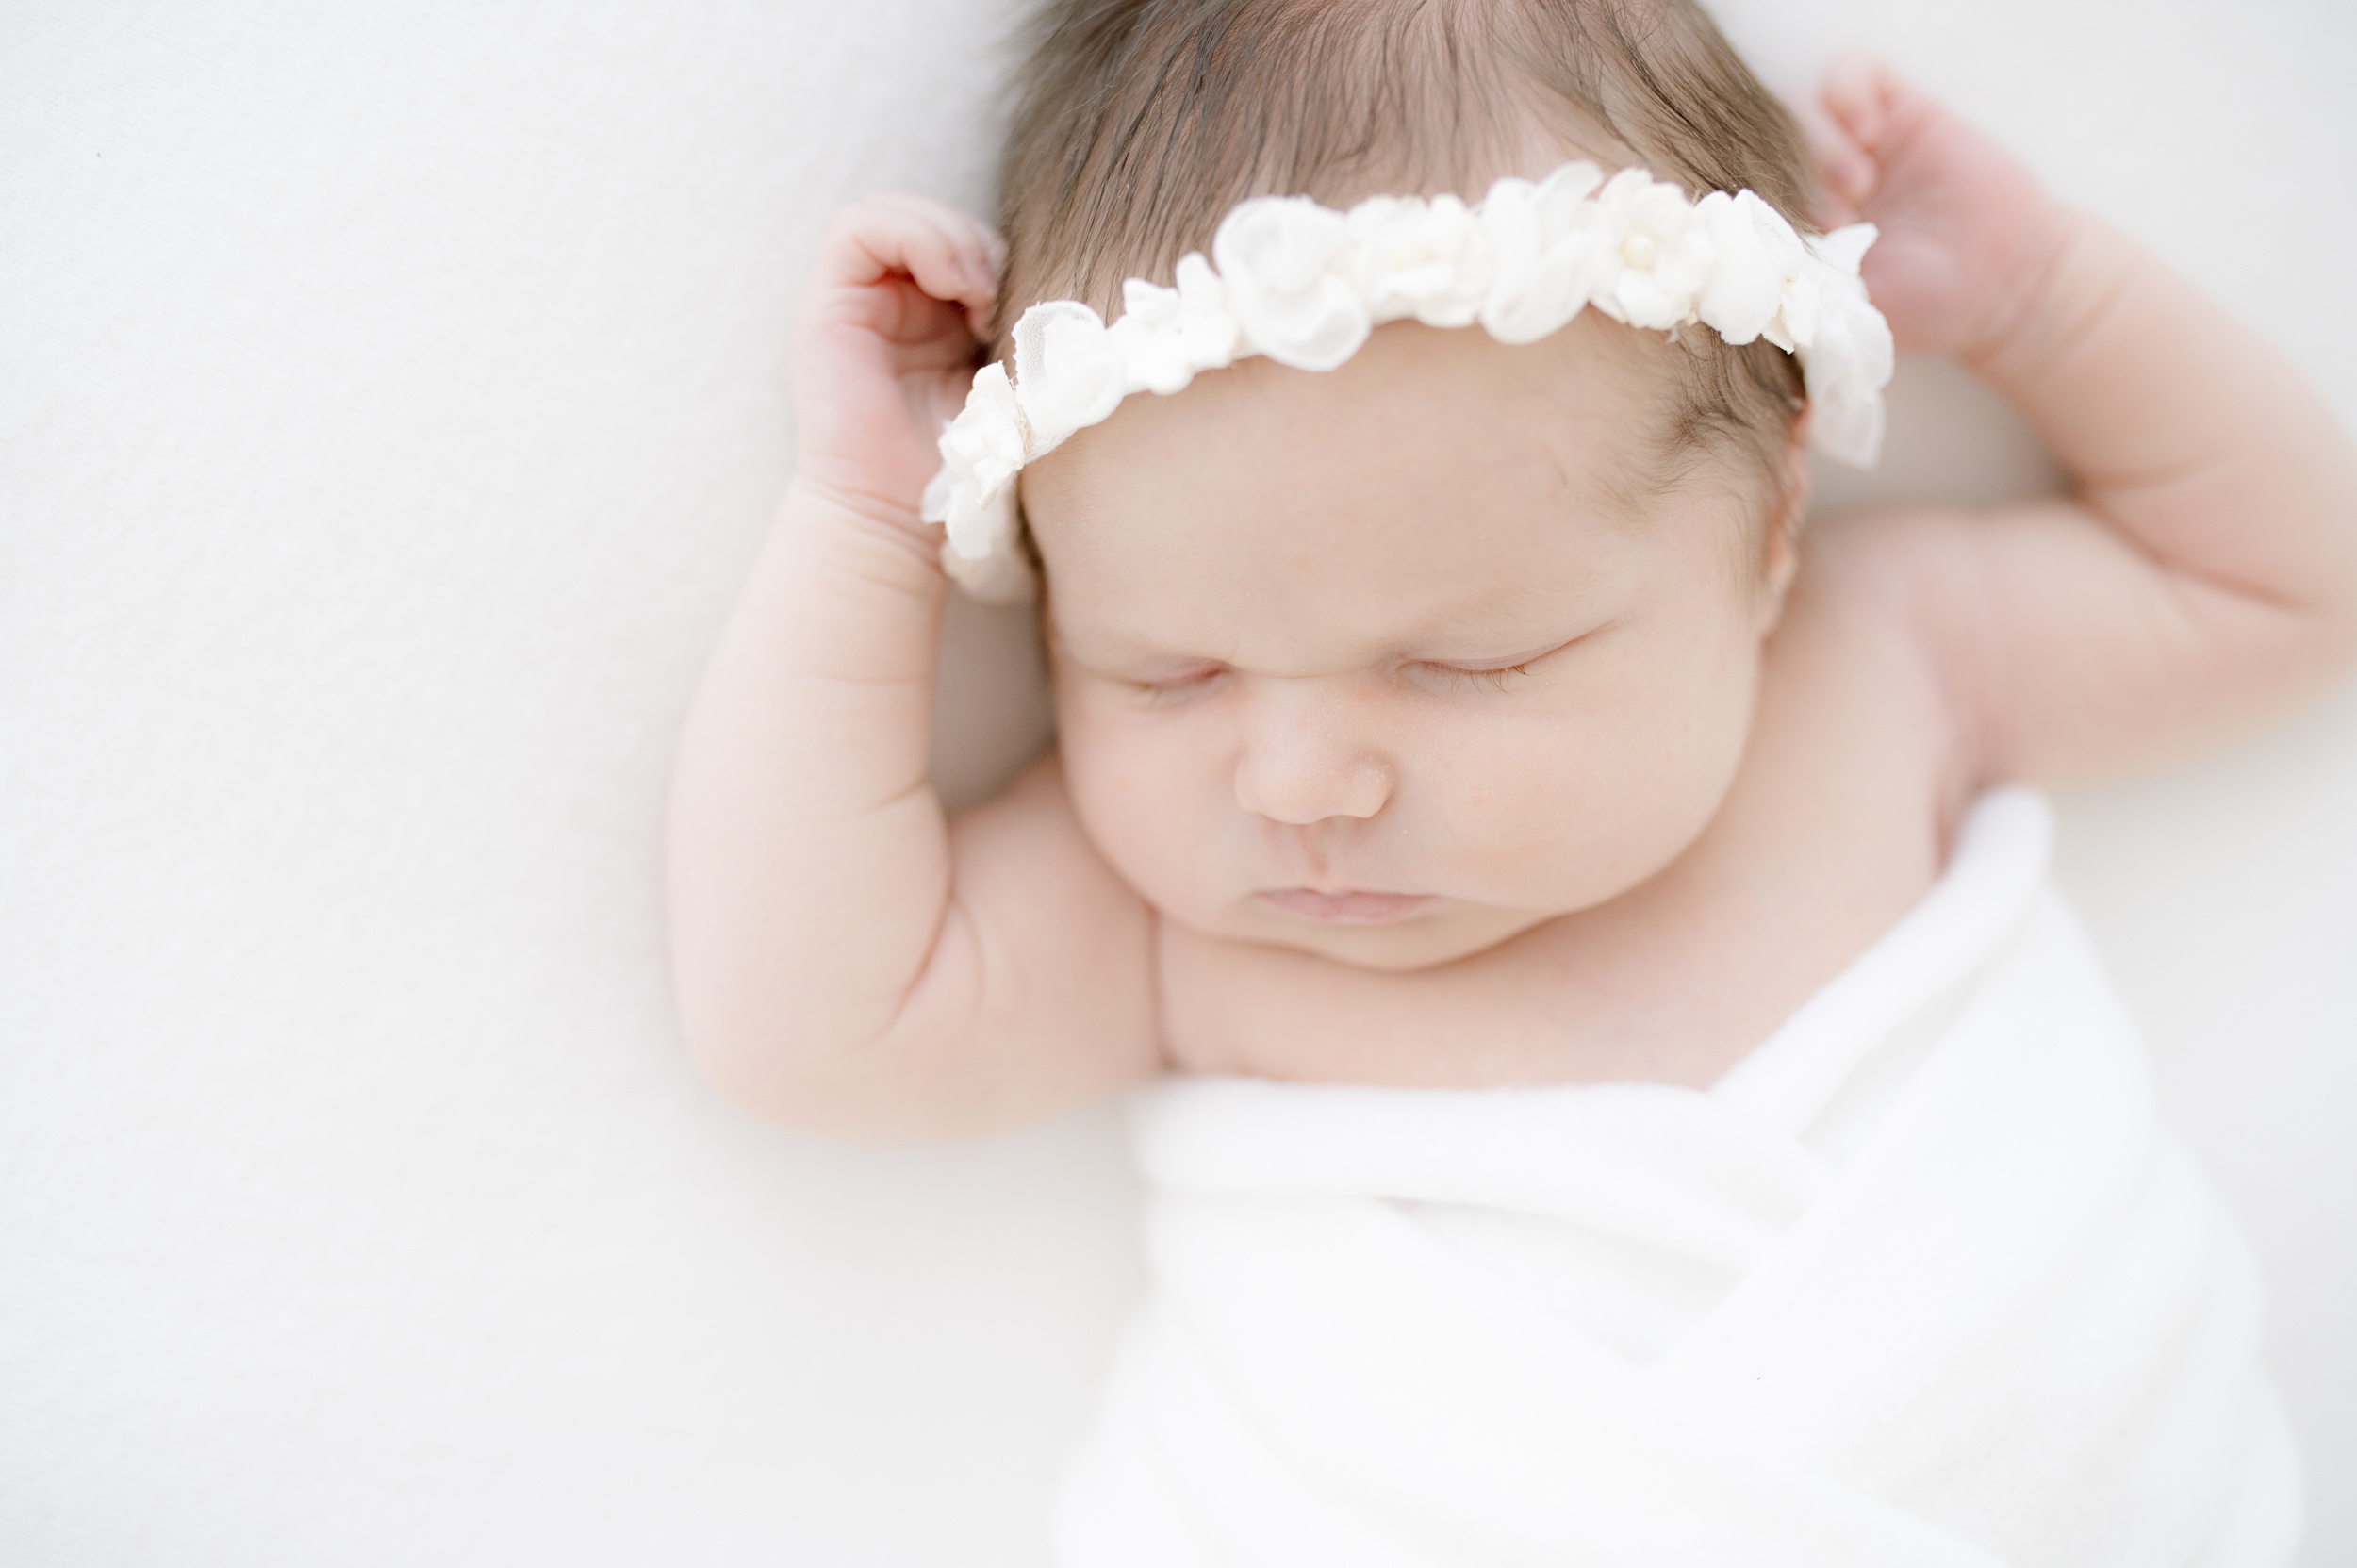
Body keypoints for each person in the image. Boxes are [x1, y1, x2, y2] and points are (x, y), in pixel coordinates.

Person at [668, 1, 2356, 1559]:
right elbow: (809, 1024)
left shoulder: (1885, 663)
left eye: (1464, 667)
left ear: (1768, 535)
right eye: (1162, 674)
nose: (1303, 781)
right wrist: (862, 524)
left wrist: (2046, 301)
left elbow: (2285, 587)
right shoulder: (1179, 923)